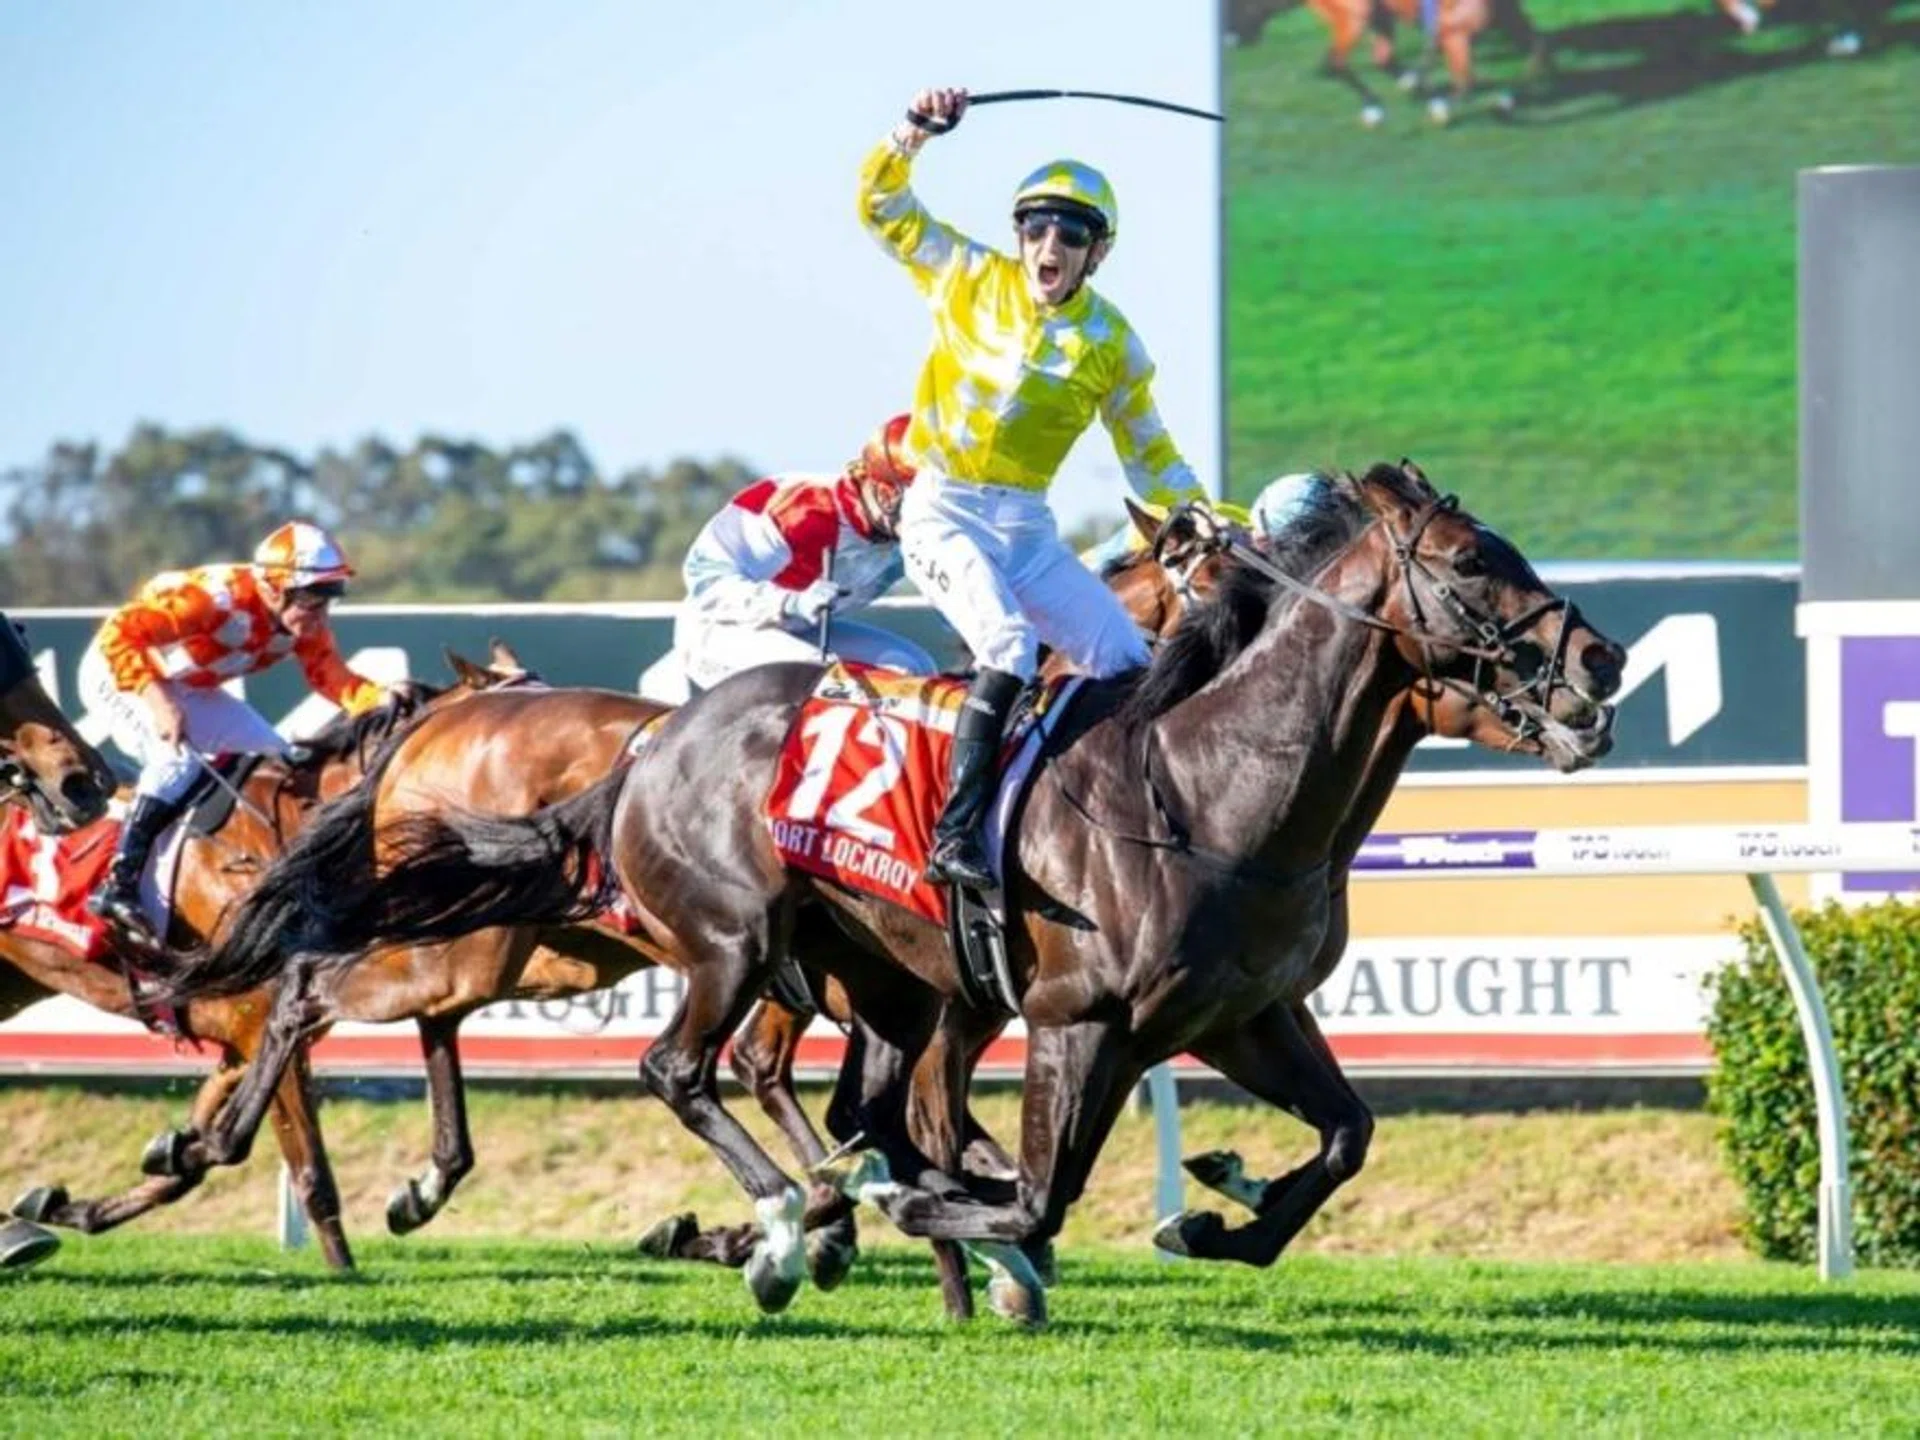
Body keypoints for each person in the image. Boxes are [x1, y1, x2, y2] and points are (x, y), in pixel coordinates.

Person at [858, 84, 1206, 888]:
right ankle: (955, 837)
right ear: (1018, 235)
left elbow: (1150, 458)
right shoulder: (966, 275)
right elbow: (880, 206)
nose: (1050, 243)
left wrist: (1209, 518)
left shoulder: (1114, 344)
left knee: (1126, 660)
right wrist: (914, 130)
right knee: (1010, 645)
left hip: (1028, 531)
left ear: (1099, 251)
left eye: (1072, 232)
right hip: (943, 511)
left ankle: (1107, 820)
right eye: (1036, 226)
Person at [78, 521, 386, 945]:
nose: (321, 614)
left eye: (330, 599)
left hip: (189, 688)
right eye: (314, 600)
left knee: (279, 763)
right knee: (176, 761)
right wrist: (156, 698)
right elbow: (120, 633)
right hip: (119, 673)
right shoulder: (214, 598)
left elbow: (331, 676)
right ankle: (118, 883)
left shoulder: (303, 623)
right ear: (276, 589)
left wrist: (382, 703)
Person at [643, 417, 935, 703]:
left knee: (912, 669)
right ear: (886, 493)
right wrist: (789, 603)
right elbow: (705, 581)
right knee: (825, 682)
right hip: (720, 629)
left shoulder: (912, 533)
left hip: (798, 630)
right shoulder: (802, 508)